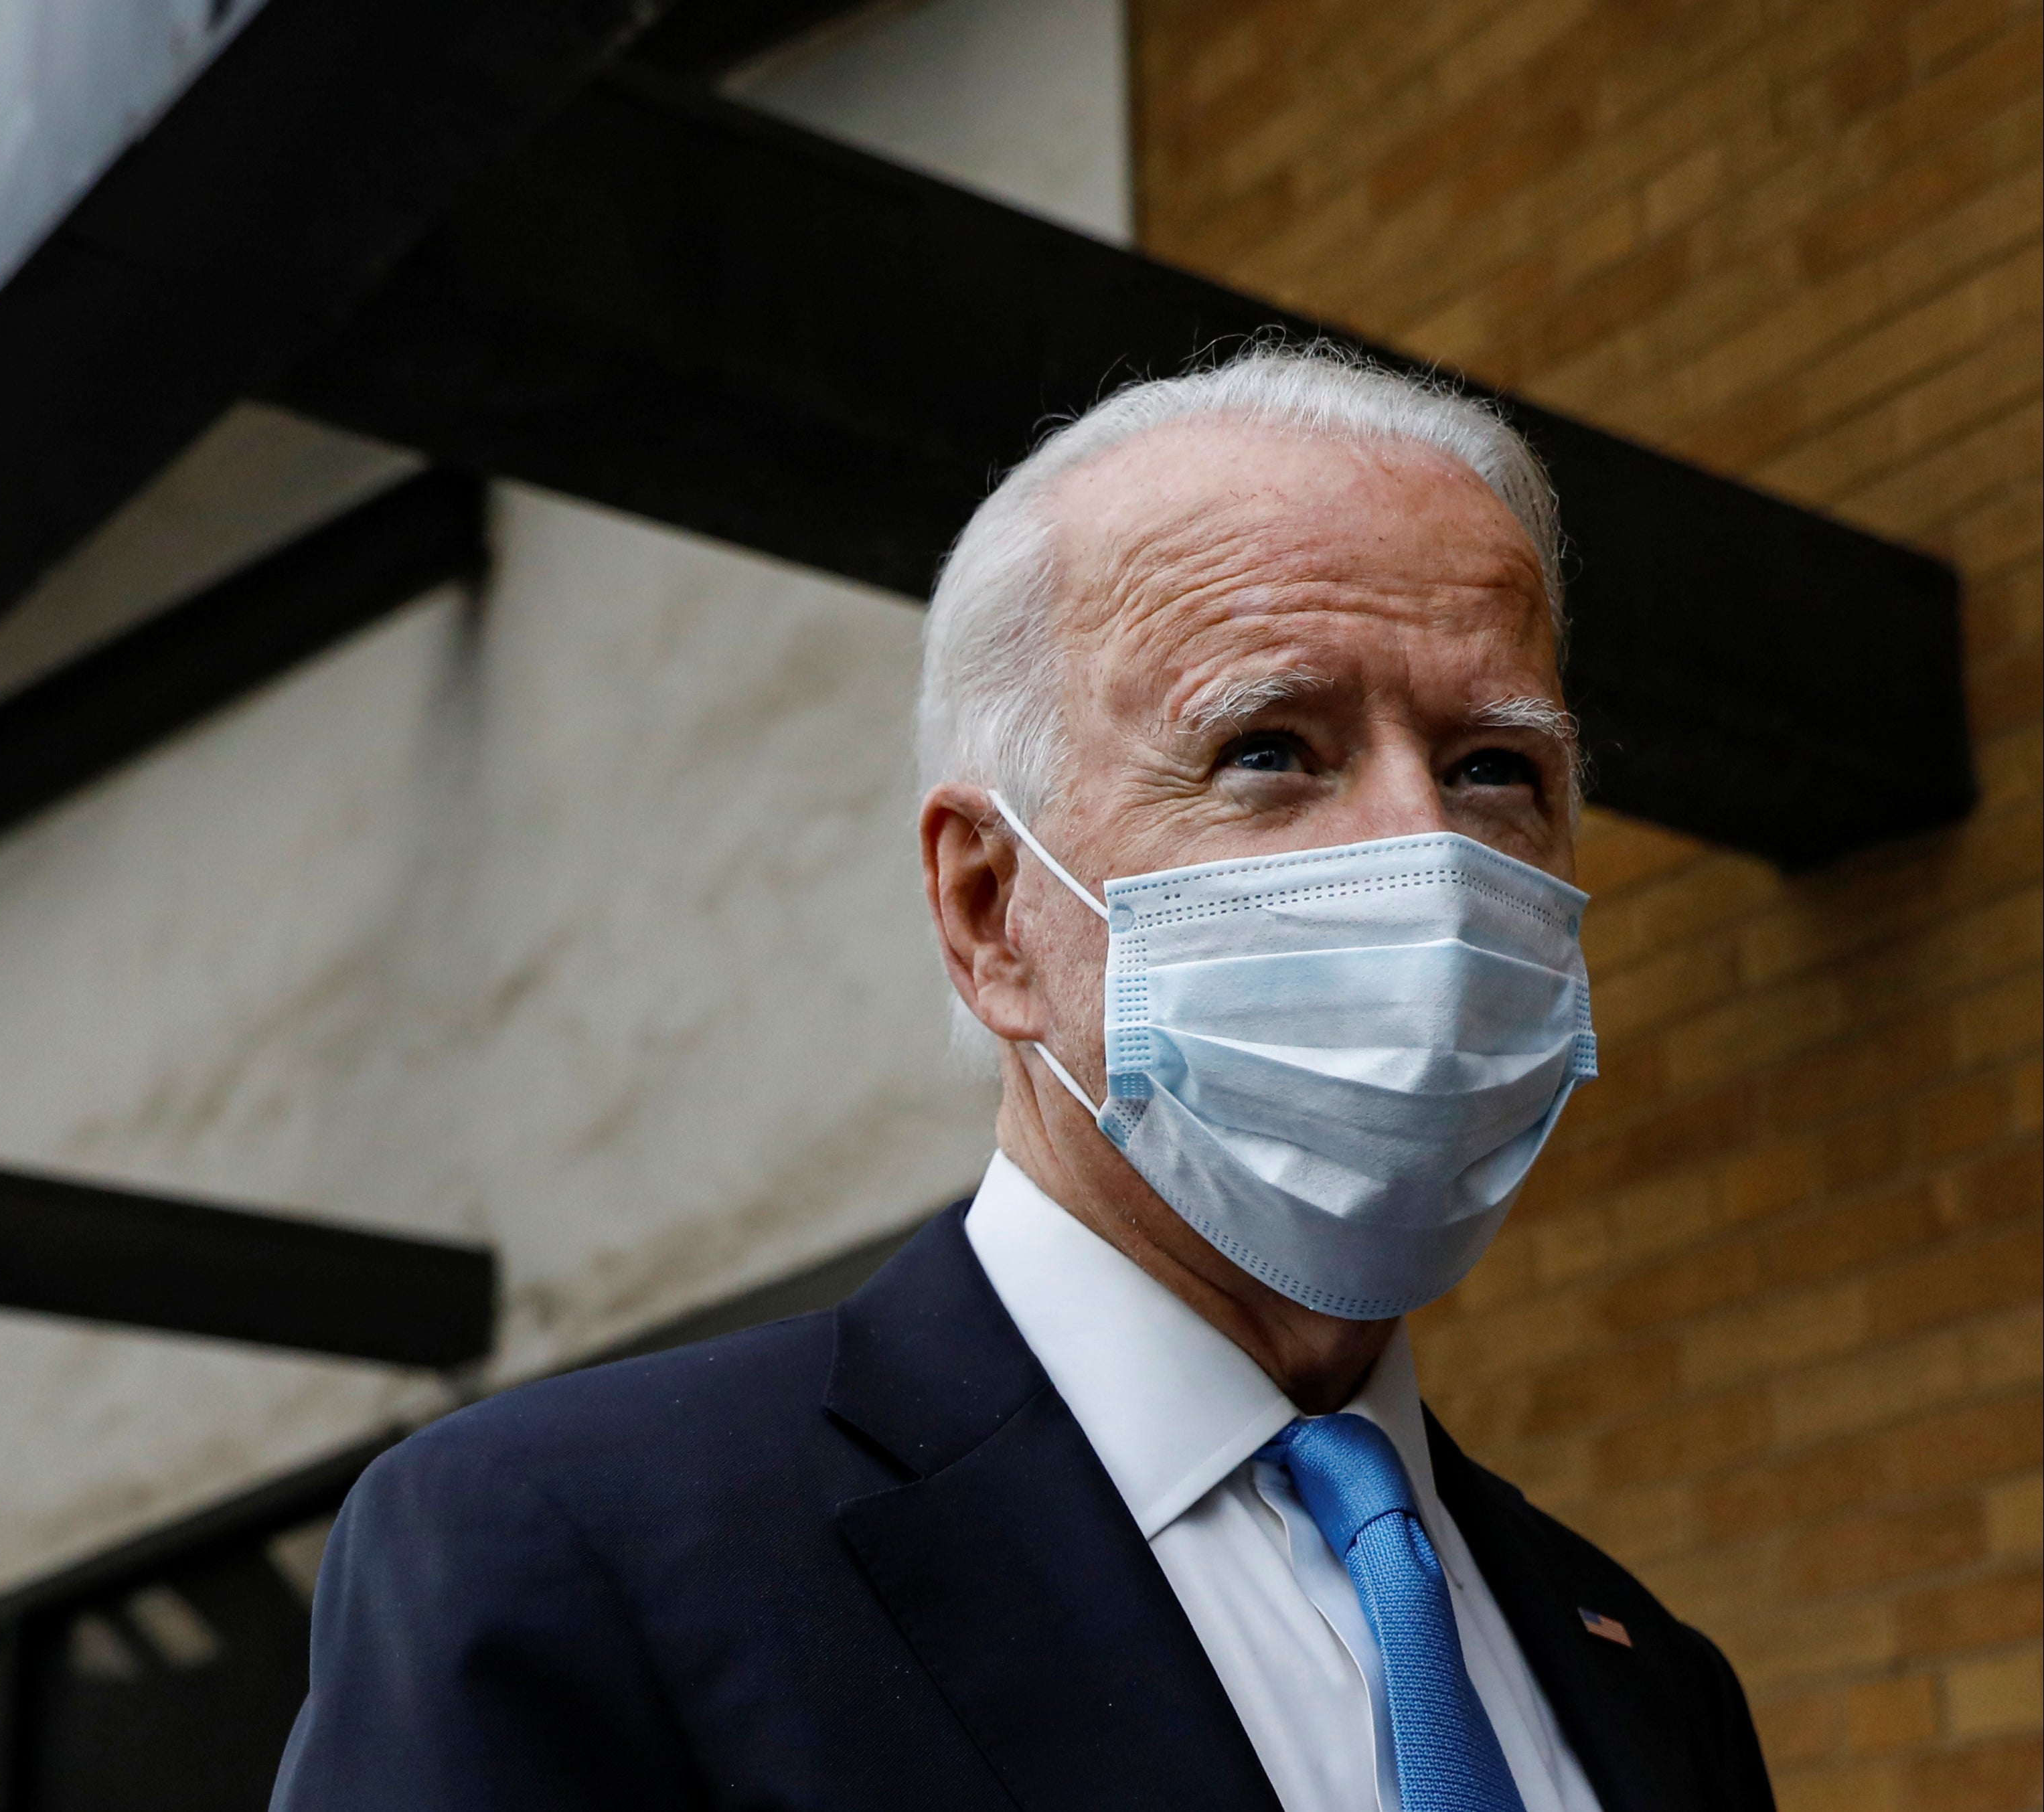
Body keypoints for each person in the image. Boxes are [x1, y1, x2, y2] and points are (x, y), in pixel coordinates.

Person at [269, 347, 1778, 1811]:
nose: (1422, 855)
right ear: (991, 909)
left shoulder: (1654, 1680)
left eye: (1495, 769)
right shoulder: (568, 1551)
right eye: (1270, 748)